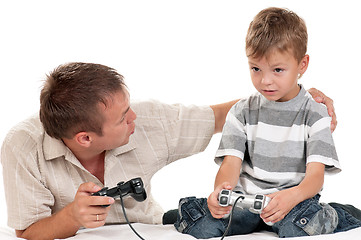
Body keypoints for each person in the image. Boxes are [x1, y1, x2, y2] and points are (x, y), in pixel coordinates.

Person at [0, 62, 335, 240]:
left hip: (154, 222)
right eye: (122, 118)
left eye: (128, 106)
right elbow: (28, 231)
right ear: (85, 138)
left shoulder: (148, 120)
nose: (134, 118)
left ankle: (341, 213)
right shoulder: (23, 149)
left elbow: (224, 115)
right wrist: (72, 217)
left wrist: (298, 101)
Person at [174, 7, 361, 238]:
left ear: (302, 65)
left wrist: (291, 197)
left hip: (293, 202)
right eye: (255, 68)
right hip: (246, 203)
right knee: (201, 226)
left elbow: (315, 177)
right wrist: (221, 191)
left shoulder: (315, 113)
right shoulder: (242, 111)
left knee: (297, 227)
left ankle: (340, 214)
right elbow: (230, 165)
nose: (265, 80)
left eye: (278, 70)